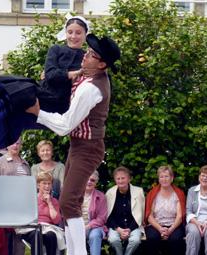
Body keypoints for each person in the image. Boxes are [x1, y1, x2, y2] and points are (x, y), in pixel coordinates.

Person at [26, 33, 121, 255]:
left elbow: (65, 126)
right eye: (87, 52)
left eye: (91, 55)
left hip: (87, 149)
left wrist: (38, 113)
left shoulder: (92, 88)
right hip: (79, 146)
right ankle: (73, 251)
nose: (85, 56)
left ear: (102, 64)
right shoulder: (88, 77)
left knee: (68, 204)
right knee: (72, 204)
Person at [0, 16, 91, 150]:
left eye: (78, 33)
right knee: (5, 83)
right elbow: (50, 75)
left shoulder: (86, 57)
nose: (73, 36)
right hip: (44, 93)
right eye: (70, 32)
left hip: (58, 103)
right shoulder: (56, 49)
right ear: (65, 33)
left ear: (85, 34)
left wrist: (54, 75)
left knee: (24, 89)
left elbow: (54, 75)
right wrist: (70, 74)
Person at [0, 138, 30, 255]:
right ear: (7, 145)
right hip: (4, 205)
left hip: (21, 206)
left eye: (18, 143)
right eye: (13, 142)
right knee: (6, 238)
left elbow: (29, 186)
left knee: (20, 237)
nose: (16, 145)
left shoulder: (25, 163)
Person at [144, 165, 185, 255]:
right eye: (161, 177)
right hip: (156, 224)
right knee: (152, 238)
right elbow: (149, 216)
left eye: (166, 176)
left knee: (176, 239)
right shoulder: (153, 193)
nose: (164, 179)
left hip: (174, 225)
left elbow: (179, 216)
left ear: (172, 178)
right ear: (158, 179)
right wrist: (160, 229)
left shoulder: (178, 193)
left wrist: (170, 229)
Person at [20, 172, 65, 255]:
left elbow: (56, 220)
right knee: (37, 234)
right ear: (38, 185)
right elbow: (25, 217)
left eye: (49, 184)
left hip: (48, 228)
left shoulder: (54, 201)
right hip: (31, 229)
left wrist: (49, 203)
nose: (47, 186)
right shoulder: (31, 199)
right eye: (44, 183)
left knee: (51, 235)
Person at [105, 167, 144, 255]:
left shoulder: (138, 192)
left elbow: (140, 213)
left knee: (135, 240)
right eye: (118, 178)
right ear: (115, 180)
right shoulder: (110, 193)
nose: (121, 181)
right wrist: (118, 229)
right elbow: (108, 215)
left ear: (129, 179)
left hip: (133, 226)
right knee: (113, 240)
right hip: (116, 227)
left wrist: (129, 229)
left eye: (123, 178)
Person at [185, 165, 207, 255]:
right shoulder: (192, 191)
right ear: (199, 177)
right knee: (193, 232)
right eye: (202, 175)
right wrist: (197, 223)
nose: (204, 178)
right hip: (195, 221)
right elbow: (188, 211)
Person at [82, 171, 107, 255]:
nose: (89, 182)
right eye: (86, 179)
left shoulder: (101, 196)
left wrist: (88, 226)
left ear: (96, 182)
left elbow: (101, 218)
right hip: (78, 226)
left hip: (94, 227)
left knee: (95, 235)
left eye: (92, 180)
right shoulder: (75, 195)